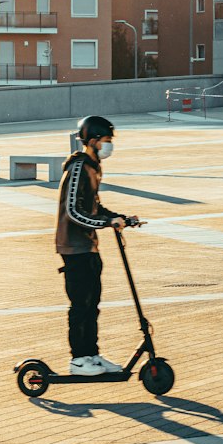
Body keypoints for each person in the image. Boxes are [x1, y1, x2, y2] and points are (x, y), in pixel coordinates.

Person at [55, 114, 143, 375]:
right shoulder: (79, 167)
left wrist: (121, 218)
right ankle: (78, 360)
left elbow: (94, 207)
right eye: (106, 141)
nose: (109, 146)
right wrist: (106, 223)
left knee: (93, 304)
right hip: (73, 246)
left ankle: (92, 355)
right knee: (80, 305)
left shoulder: (94, 167)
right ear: (92, 141)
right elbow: (73, 211)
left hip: (89, 246)